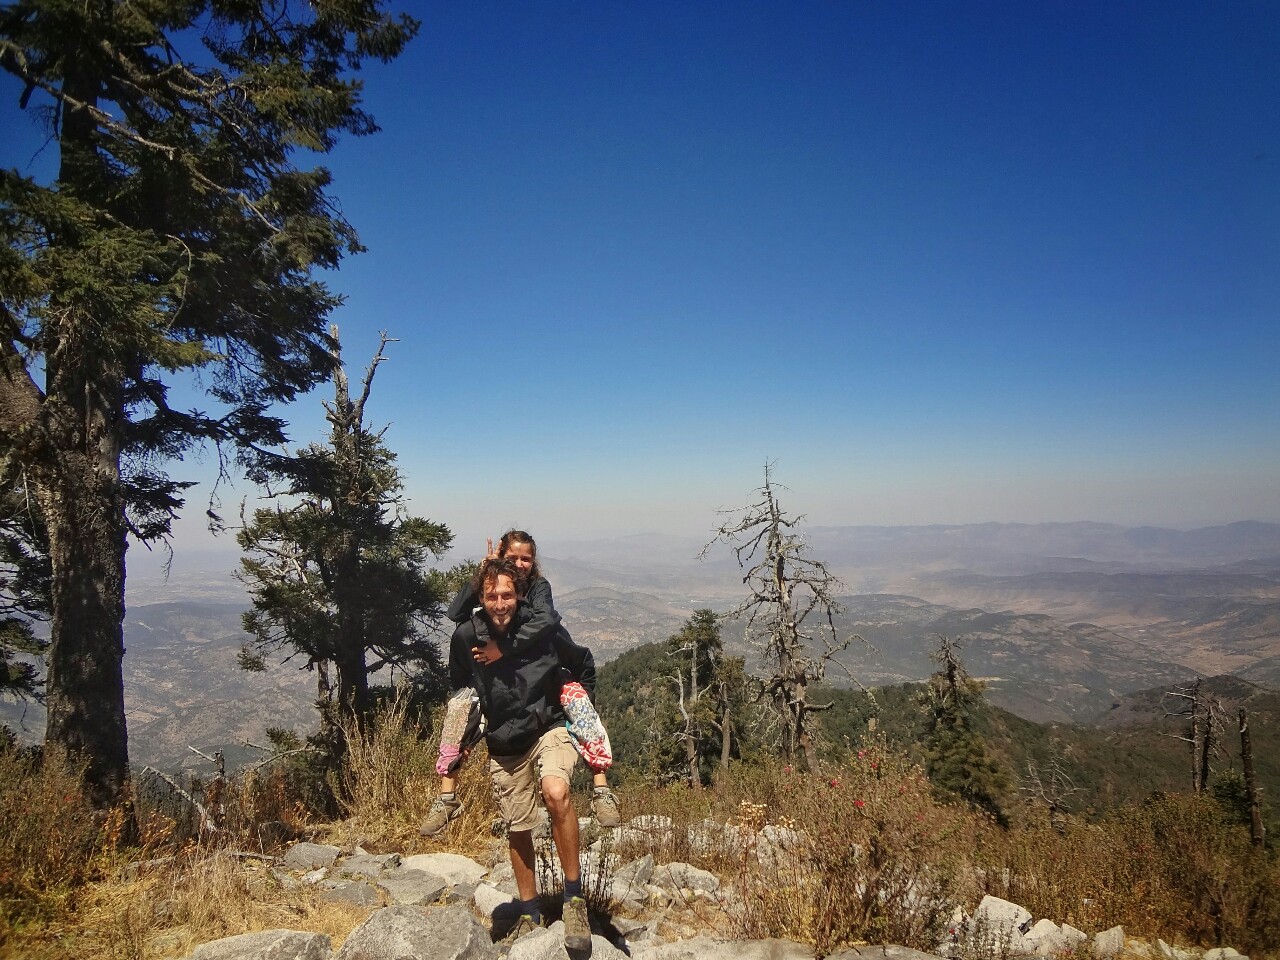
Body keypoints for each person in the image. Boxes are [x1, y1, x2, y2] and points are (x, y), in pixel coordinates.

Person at [420, 530, 620, 834]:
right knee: (459, 707)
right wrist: (486, 570)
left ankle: (601, 788)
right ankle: (447, 796)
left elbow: (547, 620)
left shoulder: (538, 587)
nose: (519, 564)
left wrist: (504, 648)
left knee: (578, 701)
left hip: (541, 673)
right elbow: (455, 613)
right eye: (512, 557)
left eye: (526, 558)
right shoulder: (490, 591)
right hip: (501, 691)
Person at [443, 558, 593, 947]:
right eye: (491, 596)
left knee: (557, 792)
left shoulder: (541, 629)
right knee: (518, 824)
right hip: (504, 741)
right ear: (481, 598)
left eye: (507, 595)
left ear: (519, 595)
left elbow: (582, 663)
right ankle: (530, 913)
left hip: (549, 727)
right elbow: (460, 687)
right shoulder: (466, 637)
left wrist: (582, 713)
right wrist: (465, 736)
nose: (500, 603)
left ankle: (574, 900)